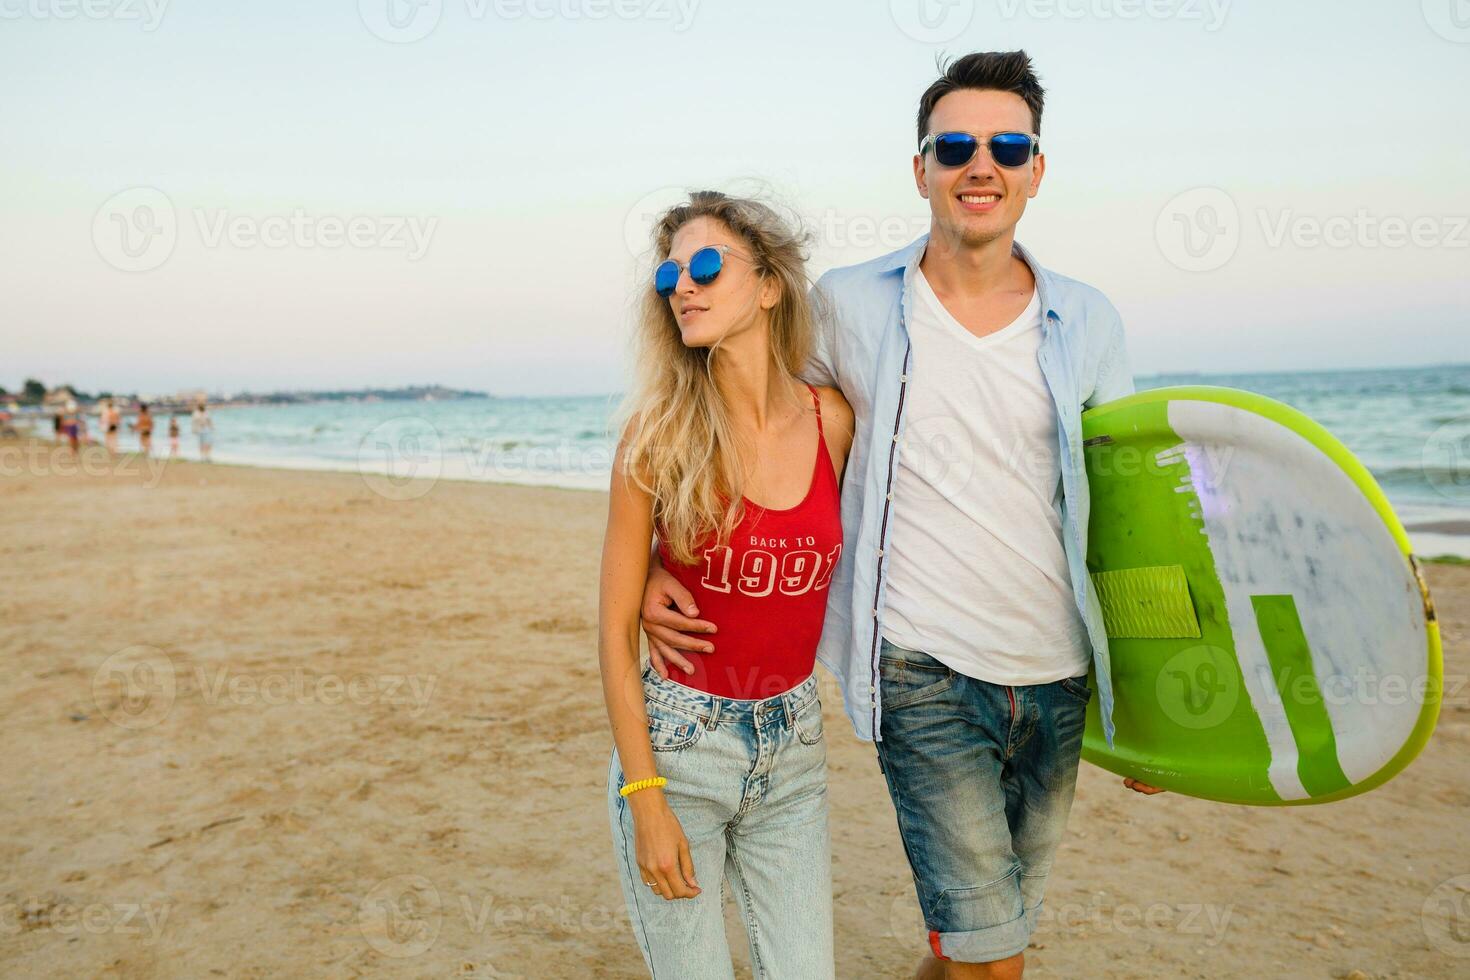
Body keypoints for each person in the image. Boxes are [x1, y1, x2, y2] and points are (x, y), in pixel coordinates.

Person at [640, 52, 1162, 979]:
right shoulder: (848, 304)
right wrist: (655, 567)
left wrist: (1150, 697)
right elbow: (749, 434)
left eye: (1008, 145)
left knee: (982, 943)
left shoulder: (1090, 322)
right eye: (954, 145)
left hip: (1057, 678)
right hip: (921, 669)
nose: (980, 165)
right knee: (993, 958)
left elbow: (1127, 518)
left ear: (1038, 170)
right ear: (919, 168)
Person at [599, 191, 854, 978]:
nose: (683, 284)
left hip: (796, 747)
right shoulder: (656, 436)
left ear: (772, 284)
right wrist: (645, 799)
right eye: (669, 272)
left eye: (706, 264)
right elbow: (611, 633)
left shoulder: (833, 420)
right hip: (678, 749)